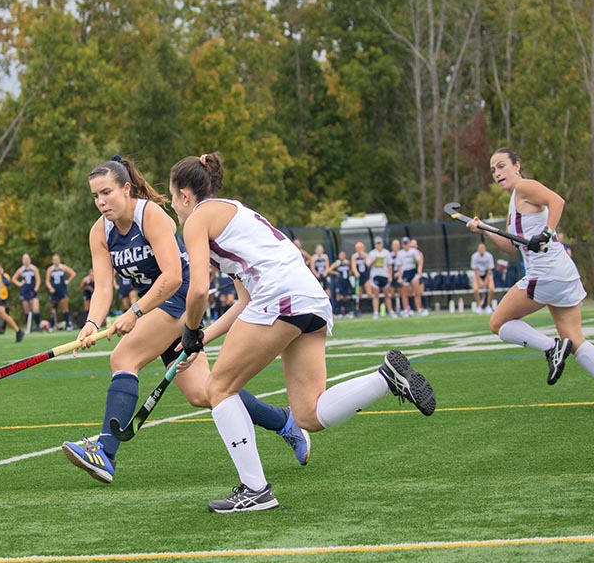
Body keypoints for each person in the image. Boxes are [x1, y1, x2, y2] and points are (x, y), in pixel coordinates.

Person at [170, 152, 436, 513]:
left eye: (172, 198)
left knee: (218, 388)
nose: (174, 207)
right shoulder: (235, 214)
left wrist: (188, 328)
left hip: (279, 297)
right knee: (309, 414)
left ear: (186, 195)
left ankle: (256, 490)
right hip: (308, 298)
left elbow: (198, 290)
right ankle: (384, 379)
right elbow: (242, 302)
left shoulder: (198, 218)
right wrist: (200, 338)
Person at [61, 156, 310, 485]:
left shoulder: (151, 216)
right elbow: (103, 287)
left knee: (123, 356)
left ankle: (105, 452)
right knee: (206, 393)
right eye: (95, 196)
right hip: (154, 307)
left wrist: (135, 313)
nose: (101, 202)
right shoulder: (100, 232)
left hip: (177, 300)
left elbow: (174, 278)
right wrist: (93, 323)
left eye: (106, 192)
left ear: (125, 188)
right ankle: (285, 422)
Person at [465, 147, 594, 411]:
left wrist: (547, 231)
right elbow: (511, 247)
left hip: (545, 274)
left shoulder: (525, 187)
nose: (497, 173)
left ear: (517, 165)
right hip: (563, 274)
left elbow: (558, 201)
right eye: (493, 170)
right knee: (575, 338)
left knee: (498, 323)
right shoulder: (514, 202)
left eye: (501, 166)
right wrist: (484, 229)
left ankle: (551, 346)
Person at [367, 236, 396, 319]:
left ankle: (390, 311)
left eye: (380, 243)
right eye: (377, 243)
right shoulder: (372, 253)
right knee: (376, 295)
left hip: (385, 275)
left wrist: (390, 276)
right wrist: (374, 261)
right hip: (375, 275)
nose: (379, 245)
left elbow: (390, 265)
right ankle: (376, 312)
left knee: (387, 295)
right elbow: (368, 265)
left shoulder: (386, 253)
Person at [396, 237, 426, 316]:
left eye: (407, 243)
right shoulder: (400, 253)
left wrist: (415, 259)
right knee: (405, 293)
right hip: (405, 273)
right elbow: (399, 266)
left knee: (417, 292)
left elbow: (419, 261)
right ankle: (406, 310)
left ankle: (419, 309)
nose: (406, 245)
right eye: (404, 244)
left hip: (413, 271)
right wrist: (400, 276)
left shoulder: (414, 251)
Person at [46, 253, 77, 330]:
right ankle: (51, 325)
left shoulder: (63, 267)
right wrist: (50, 288)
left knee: (64, 308)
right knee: (53, 309)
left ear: (59, 260)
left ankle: (68, 325)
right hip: (54, 290)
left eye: (56, 260)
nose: (55, 261)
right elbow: (47, 281)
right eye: (54, 260)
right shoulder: (50, 269)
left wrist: (67, 281)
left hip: (62, 289)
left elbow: (73, 273)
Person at [11, 253, 41, 332]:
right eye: (24, 259)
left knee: (35, 308)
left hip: (32, 290)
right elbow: (13, 278)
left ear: (30, 260)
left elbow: (38, 280)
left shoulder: (34, 268)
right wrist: (20, 284)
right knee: (26, 309)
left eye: (27, 259)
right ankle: (29, 326)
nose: (26, 261)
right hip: (25, 290)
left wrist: (36, 289)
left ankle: (38, 325)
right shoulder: (21, 269)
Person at [470, 243, 496, 313]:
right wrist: (480, 281)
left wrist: (486, 280)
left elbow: (490, 269)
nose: (481, 250)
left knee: (492, 289)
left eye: (483, 248)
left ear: (485, 249)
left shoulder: (489, 256)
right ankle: (479, 307)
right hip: (478, 275)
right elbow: (475, 269)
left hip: (487, 275)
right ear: (478, 249)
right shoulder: (474, 256)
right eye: (480, 248)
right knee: (475, 290)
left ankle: (488, 306)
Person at [328, 251, 353, 318]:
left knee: (345, 296)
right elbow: (329, 270)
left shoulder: (347, 263)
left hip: (346, 280)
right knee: (338, 296)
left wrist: (350, 272)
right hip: (339, 281)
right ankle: (338, 312)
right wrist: (336, 273)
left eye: (343, 255)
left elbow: (351, 268)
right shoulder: (337, 263)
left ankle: (346, 311)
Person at [349, 241, 371, 316]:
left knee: (369, 293)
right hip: (359, 276)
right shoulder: (354, 256)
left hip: (365, 275)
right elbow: (353, 265)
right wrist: (356, 273)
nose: (359, 249)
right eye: (358, 248)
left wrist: (364, 257)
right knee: (359, 293)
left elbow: (368, 264)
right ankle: (359, 309)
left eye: (360, 248)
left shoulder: (366, 255)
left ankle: (370, 308)